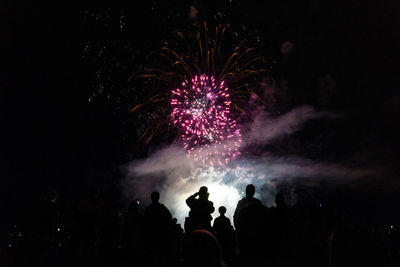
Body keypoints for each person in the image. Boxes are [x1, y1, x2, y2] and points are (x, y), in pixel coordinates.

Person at [143, 191, 173, 267]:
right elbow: (169, 218)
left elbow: (144, 222)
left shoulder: (148, 209)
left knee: (152, 256)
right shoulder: (162, 208)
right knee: (161, 256)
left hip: (151, 235)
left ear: (151, 198)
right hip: (161, 235)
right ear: (158, 198)